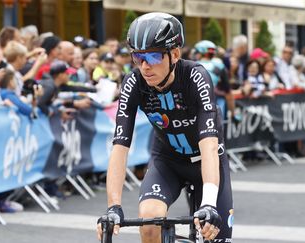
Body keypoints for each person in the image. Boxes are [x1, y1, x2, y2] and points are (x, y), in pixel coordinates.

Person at [96, 12, 233, 243]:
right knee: (149, 222)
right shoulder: (133, 82)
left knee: (212, 234)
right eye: (138, 57)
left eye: (153, 56)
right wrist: (113, 206)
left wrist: (209, 203)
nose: (145, 66)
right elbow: (120, 146)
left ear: (175, 54)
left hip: (207, 160)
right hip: (167, 161)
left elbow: (209, 144)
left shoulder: (195, 76)